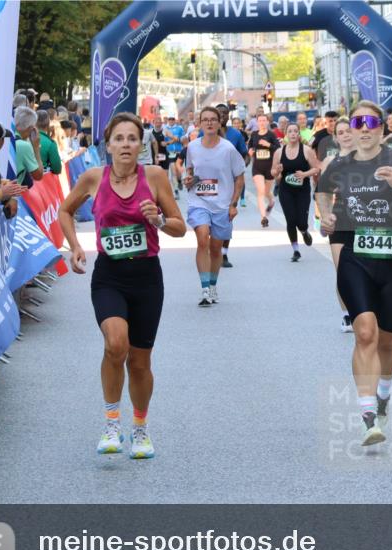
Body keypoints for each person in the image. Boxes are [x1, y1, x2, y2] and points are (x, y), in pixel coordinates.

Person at [57, 112, 187, 459]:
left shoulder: (156, 176)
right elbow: (64, 210)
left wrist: (158, 219)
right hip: (109, 276)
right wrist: (74, 246)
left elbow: (180, 226)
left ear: (140, 144)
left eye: (132, 138)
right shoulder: (92, 178)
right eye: (119, 138)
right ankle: (112, 422)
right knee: (116, 344)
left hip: (146, 276)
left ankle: (140, 428)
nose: (126, 144)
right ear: (108, 143)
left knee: (140, 362)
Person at [316, 101, 392, 446]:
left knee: (388, 338)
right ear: (349, 128)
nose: (364, 128)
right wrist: (325, 216)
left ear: (382, 127)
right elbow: (321, 192)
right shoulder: (339, 164)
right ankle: (368, 417)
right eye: (357, 122)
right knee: (365, 331)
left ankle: (384, 392)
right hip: (354, 255)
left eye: (371, 122)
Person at [183, 106, 246, 306]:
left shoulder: (228, 149)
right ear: (200, 124)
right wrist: (188, 180)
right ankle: (204, 289)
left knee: (216, 248)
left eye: (213, 120)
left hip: (222, 204)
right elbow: (190, 172)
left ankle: (212, 285)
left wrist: (234, 204)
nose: (209, 123)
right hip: (199, 201)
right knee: (202, 238)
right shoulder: (193, 147)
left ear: (219, 123)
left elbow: (239, 177)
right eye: (205, 120)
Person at [321, 118, 358, 332]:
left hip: (364, 219)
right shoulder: (329, 162)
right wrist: (324, 216)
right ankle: (346, 314)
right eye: (340, 132)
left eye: (348, 131)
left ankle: (363, 308)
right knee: (342, 269)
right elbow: (322, 194)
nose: (345, 135)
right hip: (340, 219)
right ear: (336, 137)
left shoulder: (367, 159)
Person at [271, 123, 322, 261]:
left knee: (301, 222)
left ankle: (304, 231)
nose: (293, 133)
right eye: (290, 131)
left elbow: (317, 168)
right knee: (291, 220)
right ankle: (296, 250)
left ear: (298, 134)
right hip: (285, 190)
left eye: (295, 131)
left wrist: (305, 174)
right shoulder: (279, 152)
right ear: (286, 134)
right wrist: (278, 172)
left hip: (302, 191)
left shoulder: (306, 150)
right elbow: (273, 172)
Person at [215, 103, 249, 268]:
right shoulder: (207, 132)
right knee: (211, 219)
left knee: (227, 217)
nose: (222, 116)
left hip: (230, 183)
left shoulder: (236, 134)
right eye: (219, 113)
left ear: (228, 116)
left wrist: (241, 168)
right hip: (211, 183)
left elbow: (246, 155)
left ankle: (224, 254)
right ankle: (213, 249)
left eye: (225, 113)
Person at [248, 112, 279, 227]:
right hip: (257, 167)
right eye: (259, 120)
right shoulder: (254, 134)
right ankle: (263, 217)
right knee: (261, 191)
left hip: (270, 168)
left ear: (267, 122)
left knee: (266, 192)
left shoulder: (271, 135)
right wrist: (250, 151)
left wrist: (268, 145)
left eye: (263, 120)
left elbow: (278, 149)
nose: (261, 122)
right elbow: (250, 146)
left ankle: (271, 201)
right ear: (257, 122)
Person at [13, 105, 44, 185]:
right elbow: (38, 175)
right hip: (12, 194)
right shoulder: (24, 146)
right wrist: (36, 148)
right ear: (31, 129)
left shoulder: (8, 138)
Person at [35, 110, 62, 174]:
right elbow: (57, 169)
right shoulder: (50, 143)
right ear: (48, 124)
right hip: (41, 180)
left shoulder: (25, 138)